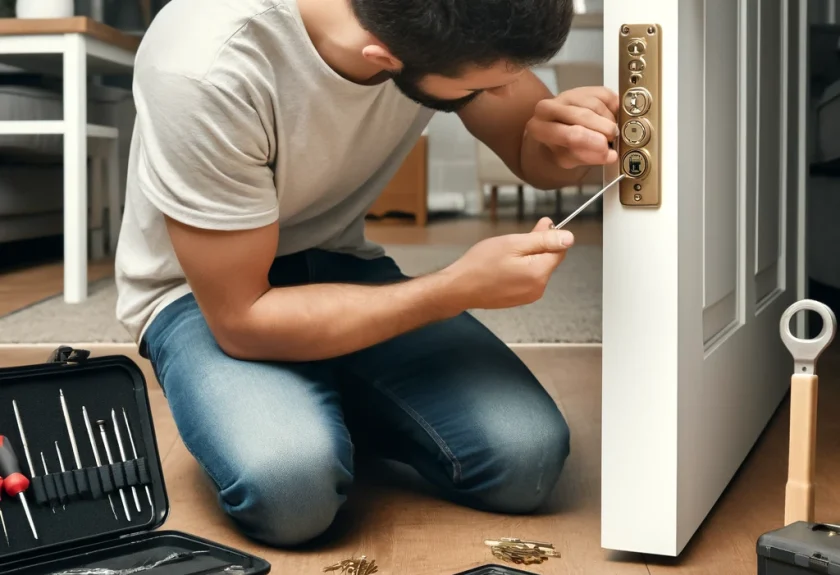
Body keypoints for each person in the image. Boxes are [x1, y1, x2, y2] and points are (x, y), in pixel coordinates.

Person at [115, 0, 619, 547]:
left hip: (343, 267)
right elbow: (243, 320)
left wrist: (563, 142)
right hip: (208, 300)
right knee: (290, 492)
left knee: (527, 460)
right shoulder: (205, 64)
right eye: (487, 87)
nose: (514, 91)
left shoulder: (443, 24)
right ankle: (316, 410)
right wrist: (453, 290)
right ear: (383, 59)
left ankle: (327, 402)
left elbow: (527, 145)